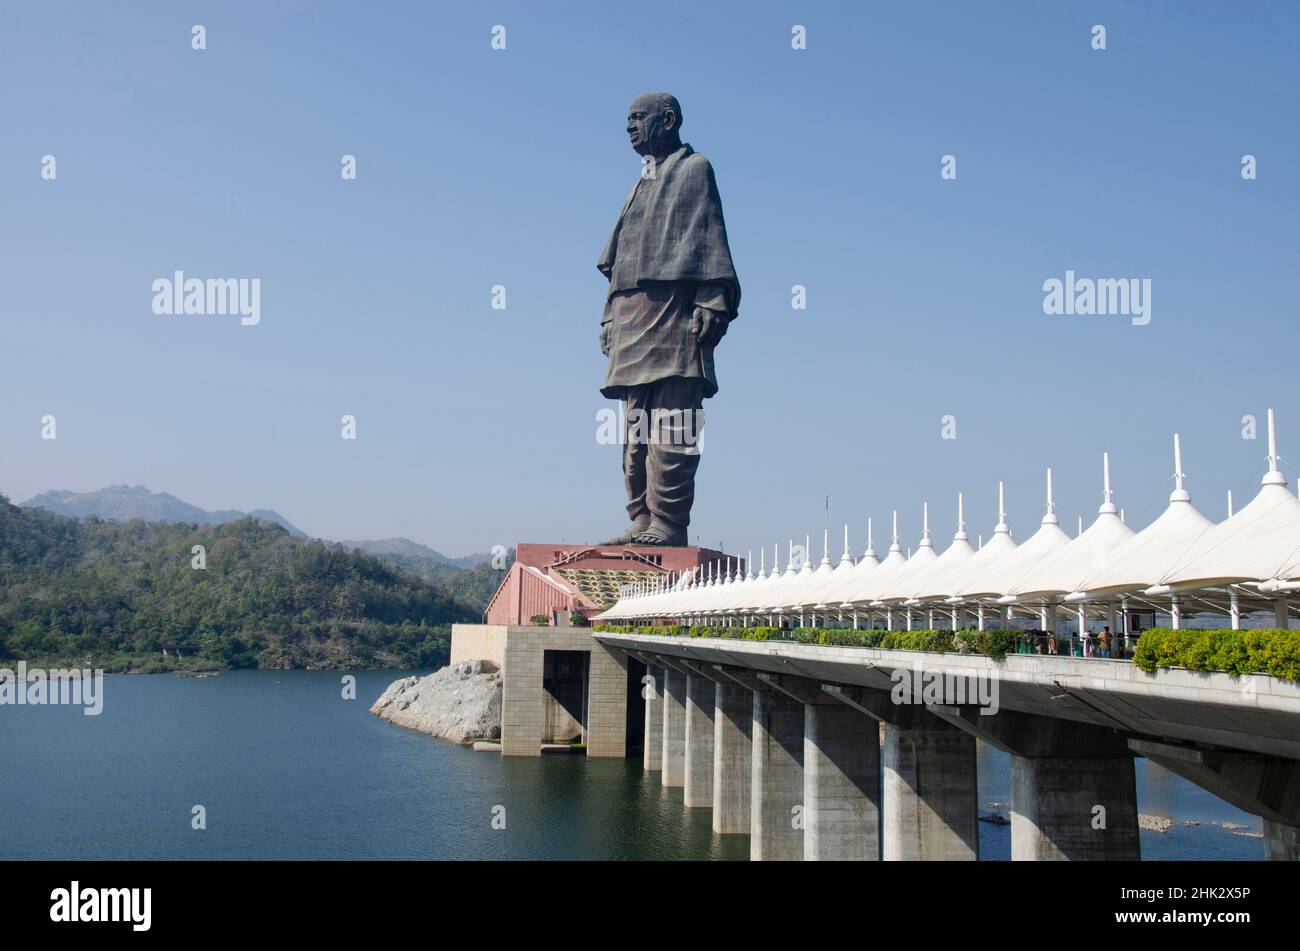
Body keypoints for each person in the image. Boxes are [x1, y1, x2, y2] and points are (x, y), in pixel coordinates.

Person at [597, 93, 741, 547]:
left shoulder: (694, 169)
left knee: (674, 424)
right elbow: (619, 257)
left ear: (669, 120)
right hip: (631, 317)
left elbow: (709, 237)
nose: (630, 127)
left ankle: (670, 522)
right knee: (634, 431)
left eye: (638, 118)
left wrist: (712, 300)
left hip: (675, 316)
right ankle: (641, 517)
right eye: (627, 120)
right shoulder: (642, 179)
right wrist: (608, 317)